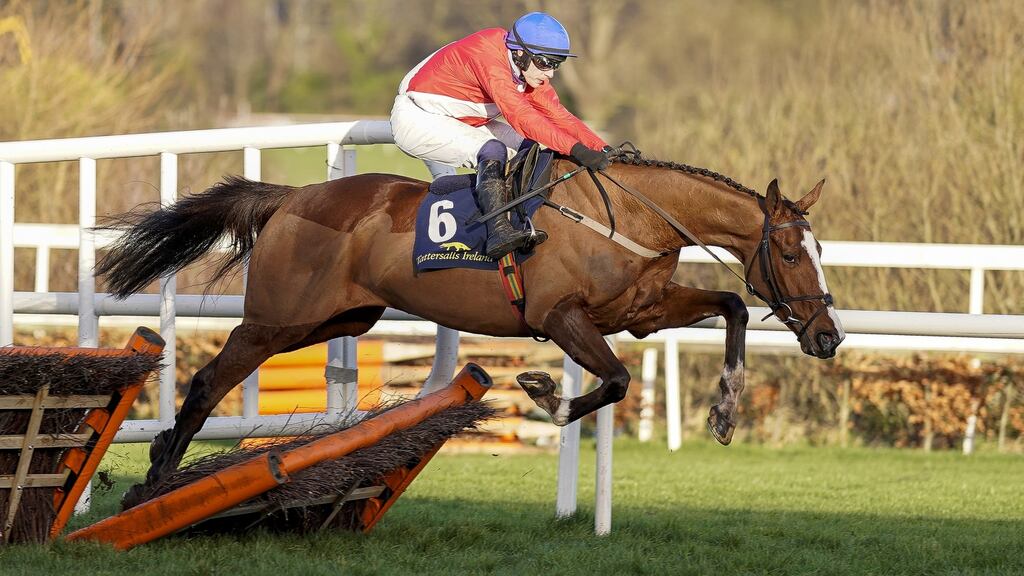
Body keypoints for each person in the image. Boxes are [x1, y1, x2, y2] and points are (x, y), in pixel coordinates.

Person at [391, 12, 611, 259]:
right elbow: (522, 118)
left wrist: (601, 147)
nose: (550, 73)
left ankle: (523, 216)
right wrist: (577, 149)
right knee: (493, 150)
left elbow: (558, 115)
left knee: (531, 149)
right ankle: (498, 232)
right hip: (417, 118)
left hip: (459, 119)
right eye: (544, 63)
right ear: (520, 53)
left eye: (555, 64)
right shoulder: (488, 58)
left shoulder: (524, 66)